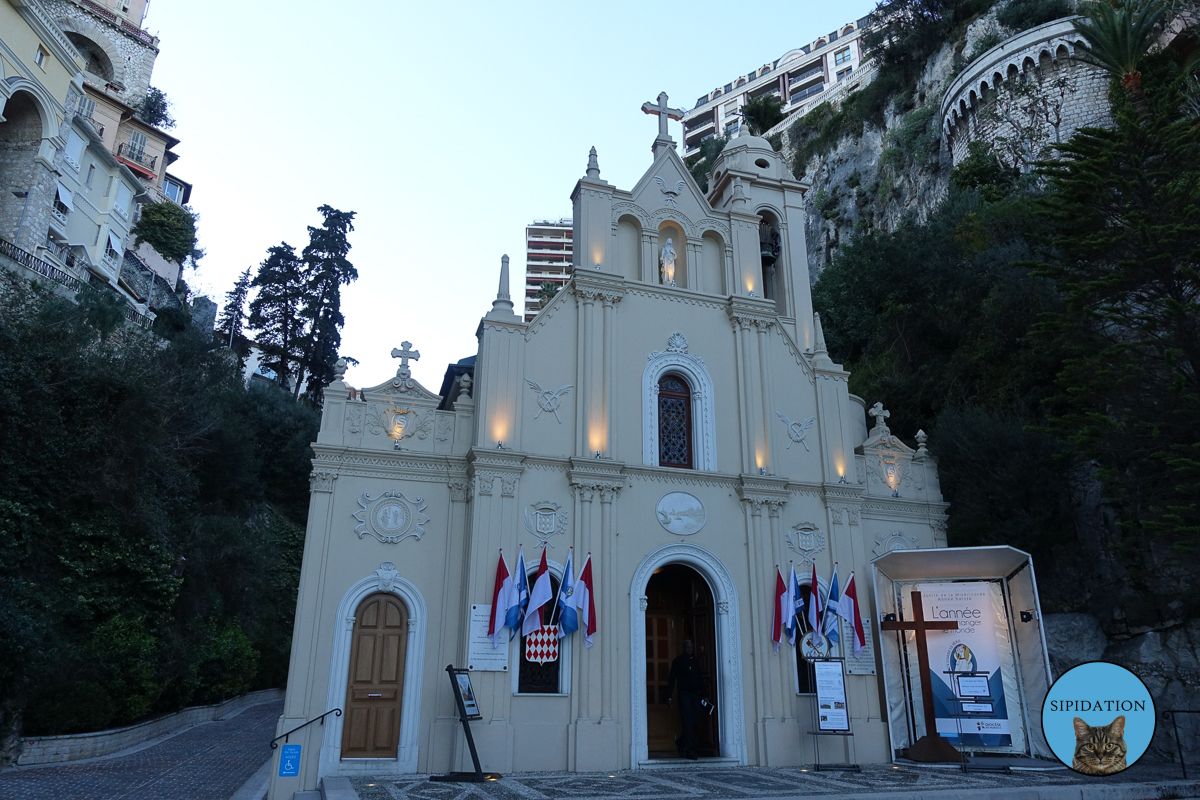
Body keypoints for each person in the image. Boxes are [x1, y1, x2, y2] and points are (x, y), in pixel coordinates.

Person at [666, 639, 706, 760]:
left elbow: (700, 679)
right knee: (688, 722)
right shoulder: (678, 661)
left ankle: (681, 742)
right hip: (684, 694)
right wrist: (668, 696)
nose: (690, 650)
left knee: (695, 722)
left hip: (695, 695)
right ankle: (690, 751)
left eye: (691, 648)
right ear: (684, 648)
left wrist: (705, 694)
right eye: (688, 648)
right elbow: (672, 679)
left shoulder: (695, 661)